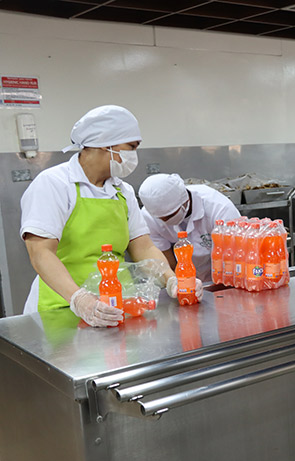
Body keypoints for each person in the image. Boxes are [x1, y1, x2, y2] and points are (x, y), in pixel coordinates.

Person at [20, 105, 191, 327]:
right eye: (131, 146)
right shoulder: (54, 184)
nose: (133, 155)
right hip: (62, 308)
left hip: (119, 305)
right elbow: (40, 253)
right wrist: (80, 300)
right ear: (104, 143)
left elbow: (143, 247)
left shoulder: (123, 191)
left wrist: (171, 280)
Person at [138, 173, 240, 283]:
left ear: (184, 202)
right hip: (184, 278)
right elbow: (166, 261)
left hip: (221, 277)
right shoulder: (149, 216)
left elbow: (230, 259)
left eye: (169, 216)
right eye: (160, 218)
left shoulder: (219, 209)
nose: (164, 220)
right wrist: (178, 283)